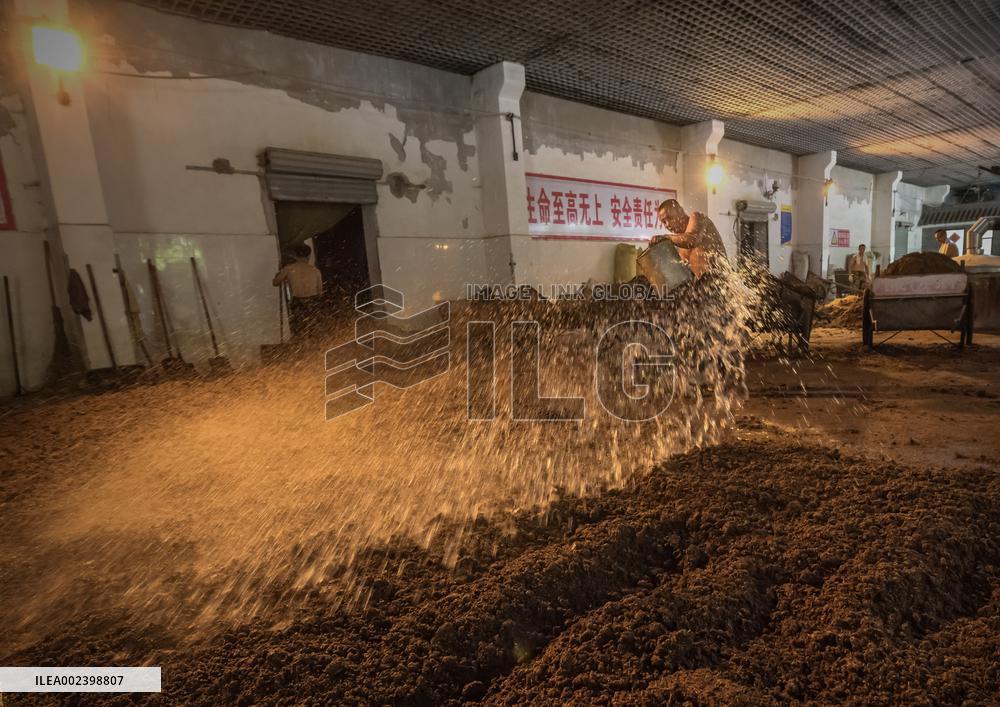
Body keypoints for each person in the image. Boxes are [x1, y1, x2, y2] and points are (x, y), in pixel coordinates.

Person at [655, 199, 727, 279]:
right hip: (704, 285)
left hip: (720, 279)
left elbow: (692, 239)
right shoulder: (680, 244)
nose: (667, 225)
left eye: (670, 218)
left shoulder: (697, 217)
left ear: (680, 211)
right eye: (664, 222)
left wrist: (666, 237)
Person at [273, 243, 323, 337]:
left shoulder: (288, 269)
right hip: (313, 302)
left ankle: (302, 348)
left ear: (295, 256)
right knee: (314, 329)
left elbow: (275, 282)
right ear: (308, 256)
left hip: (298, 303)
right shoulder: (315, 271)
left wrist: (279, 273)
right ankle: (316, 348)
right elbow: (320, 291)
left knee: (300, 330)